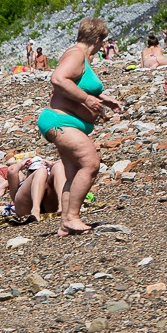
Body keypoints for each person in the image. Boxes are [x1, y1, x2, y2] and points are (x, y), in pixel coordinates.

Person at [37, 17, 121, 237]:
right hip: (60, 121)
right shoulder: (76, 55)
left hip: (64, 121)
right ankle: (73, 217)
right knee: (90, 163)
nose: (102, 47)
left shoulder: (80, 56)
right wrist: (86, 99)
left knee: (73, 171)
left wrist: (104, 98)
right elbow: (58, 79)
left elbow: (76, 83)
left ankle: (66, 222)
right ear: (96, 39)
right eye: (102, 43)